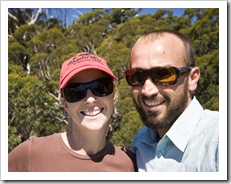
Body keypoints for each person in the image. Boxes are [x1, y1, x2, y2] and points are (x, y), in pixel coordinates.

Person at [9, 52, 137, 172]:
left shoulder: (129, 164)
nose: (90, 99)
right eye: (76, 92)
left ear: (114, 94)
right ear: (64, 103)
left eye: (101, 87)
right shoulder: (30, 154)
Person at [125, 30, 219, 172]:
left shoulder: (219, 139)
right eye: (137, 76)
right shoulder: (140, 143)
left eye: (163, 75)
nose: (147, 90)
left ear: (192, 78)